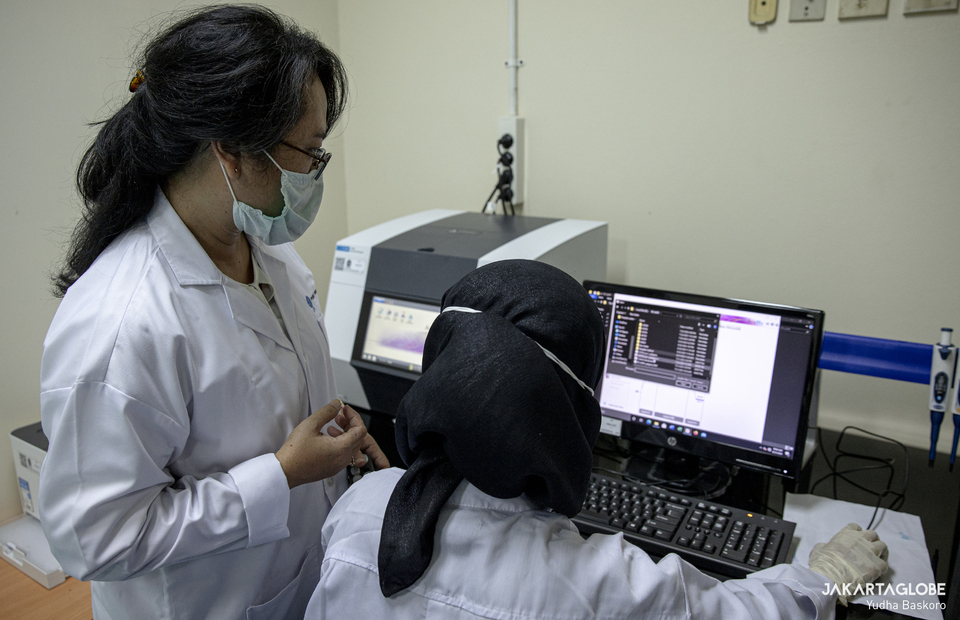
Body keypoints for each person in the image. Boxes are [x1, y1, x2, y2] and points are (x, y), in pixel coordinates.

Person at [39, 6, 387, 619]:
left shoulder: (270, 252)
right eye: (309, 152)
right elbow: (93, 539)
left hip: (297, 583)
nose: (315, 171)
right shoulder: (121, 323)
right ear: (230, 151)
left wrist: (329, 443)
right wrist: (279, 474)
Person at [305, 259, 889, 619]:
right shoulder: (596, 584)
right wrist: (825, 577)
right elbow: (742, 614)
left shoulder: (361, 508)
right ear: (568, 408)